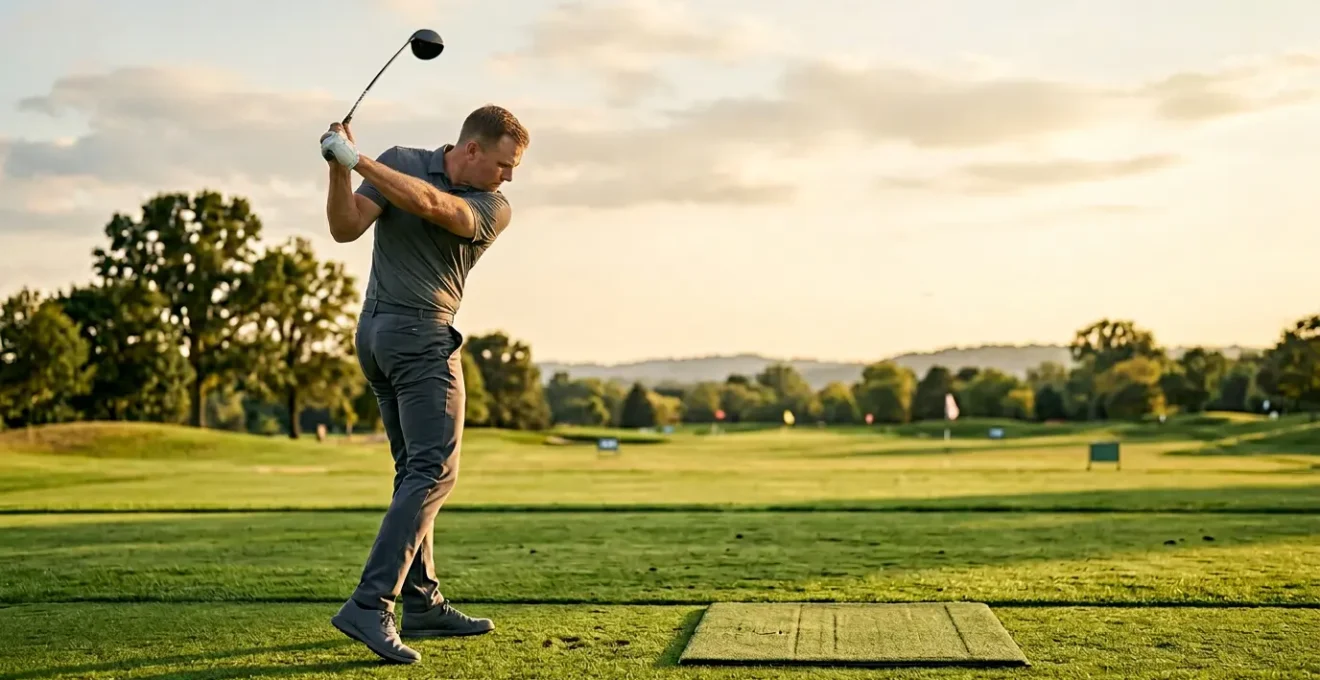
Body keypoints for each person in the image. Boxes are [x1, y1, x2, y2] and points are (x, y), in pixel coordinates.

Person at [318, 104, 528, 664]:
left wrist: (357, 161)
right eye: (504, 164)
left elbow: (437, 207)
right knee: (433, 470)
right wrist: (339, 169)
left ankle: (422, 602)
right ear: (472, 149)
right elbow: (345, 227)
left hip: (383, 338)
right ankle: (371, 603)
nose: (509, 177)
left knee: (413, 471)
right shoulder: (399, 161)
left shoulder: (493, 207)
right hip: (410, 339)